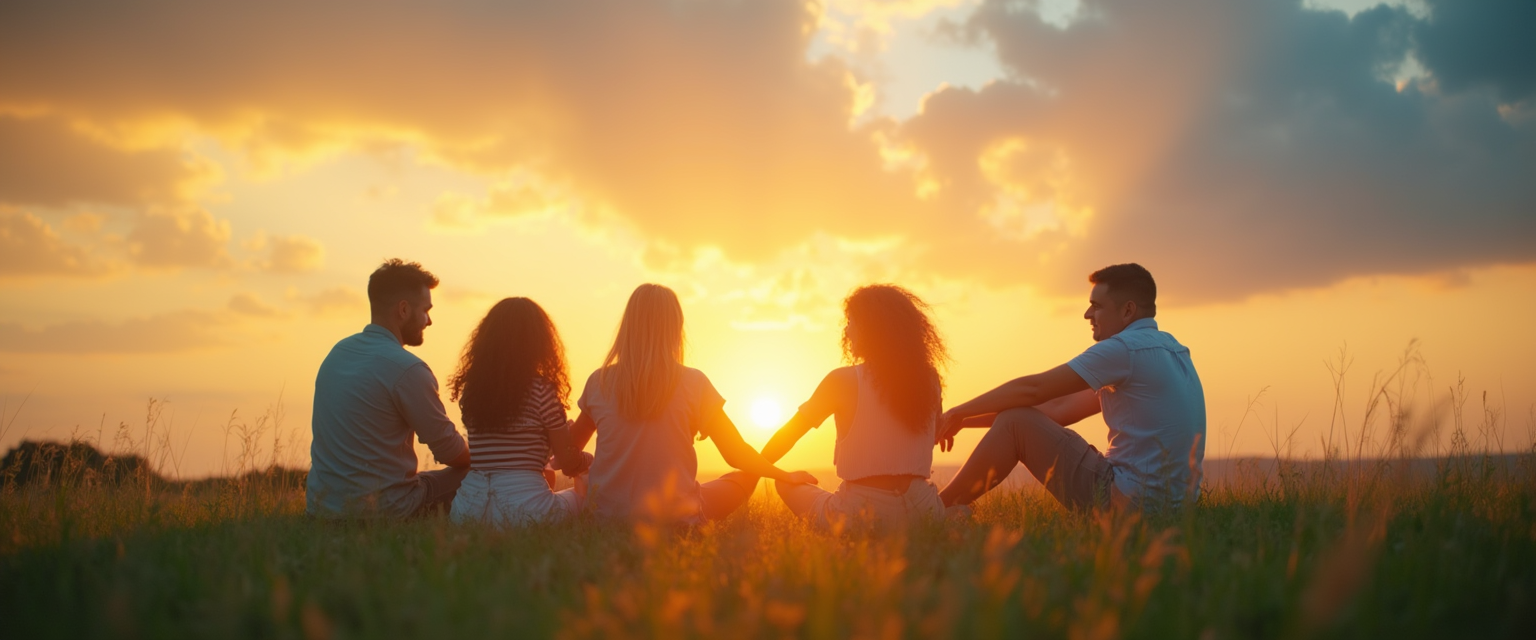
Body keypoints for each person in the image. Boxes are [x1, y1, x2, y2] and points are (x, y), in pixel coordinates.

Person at [936, 263, 1206, 512]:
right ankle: (941, 508)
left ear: (1127, 311)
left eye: (1096, 306)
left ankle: (935, 510)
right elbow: (1059, 408)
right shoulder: (1174, 350)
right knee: (1015, 420)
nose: (1087, 314)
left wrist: (959, 411)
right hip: (1178, 509)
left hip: (1128, 501)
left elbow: (1034, 389)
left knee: (1014, 422)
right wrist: (965, 421)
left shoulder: (1123, 349)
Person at [567, 283, 818, 524]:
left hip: (606, 517)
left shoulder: (598, 382)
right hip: (676, 518)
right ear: (675, 330)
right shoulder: (694, 383)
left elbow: (569, 453)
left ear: (627, 328)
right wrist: (784, 475)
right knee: (742, 478)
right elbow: (736, 453)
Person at [759, 284, 948, 529]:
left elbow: (788, 436)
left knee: (785, 483)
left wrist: (750, 469)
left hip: (860, 514)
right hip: (924, 511)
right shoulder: (929, 379)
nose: (846, 331)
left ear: (870, 328)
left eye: (850, 322)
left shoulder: (842, 380)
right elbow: (932, 435)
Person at [306, 259, 471, 519]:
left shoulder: (337, 354)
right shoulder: (408, 369)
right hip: (386, 511)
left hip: (322, 509)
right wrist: (491, 457)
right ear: (403, 310)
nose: (429, 321)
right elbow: (450, 451)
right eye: (425, 310)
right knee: (484, 473)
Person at [448, 297, 592, 526]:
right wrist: (588, 459)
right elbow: (567, 463)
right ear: (540, 343)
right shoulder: (542, 391)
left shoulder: (473, 392)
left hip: (467, 511)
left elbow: (506, 445)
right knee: (582, 499)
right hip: (523, 509)